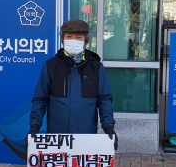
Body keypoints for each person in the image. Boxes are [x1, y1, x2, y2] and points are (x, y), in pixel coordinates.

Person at [27, 19, 116, 148]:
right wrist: (34, 127)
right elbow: (40, 99)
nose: (73, 41)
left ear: (85, 42)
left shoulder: (96, 67)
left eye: (78, 37)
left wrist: (108, 127)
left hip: (86, 136)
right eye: (69, 37)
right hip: (57, 137)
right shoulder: (50, 66)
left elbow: (104, 100)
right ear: (62, 40)